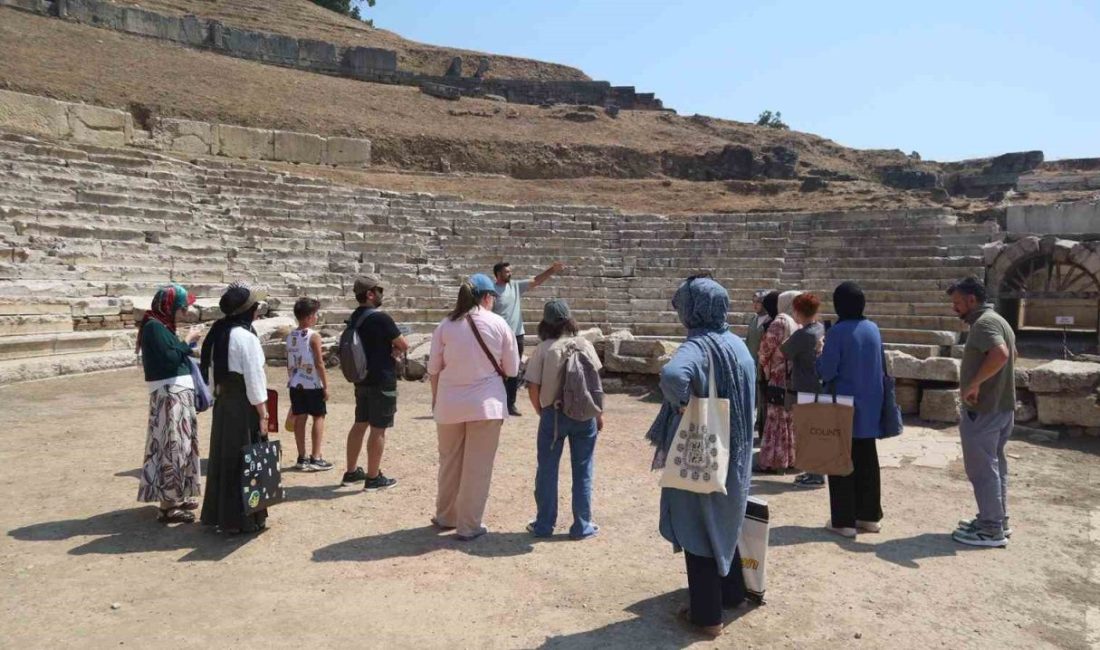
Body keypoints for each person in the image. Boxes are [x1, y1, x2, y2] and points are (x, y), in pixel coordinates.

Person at [645, 274, 755, 638]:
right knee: (726, 518)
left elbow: (673, 375)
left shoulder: (697, 346)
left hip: (702, 449)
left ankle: (707, 617)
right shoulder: (737, 344)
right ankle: (733, 593)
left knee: (697, 525)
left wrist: (681, 406)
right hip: (736, 451)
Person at [427, 274, 520, 541]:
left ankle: (446, 515)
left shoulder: (445, 326)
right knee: (477, 467)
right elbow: (512, 369)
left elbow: (434, 369)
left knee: (449, 463)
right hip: (486, 405)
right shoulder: (499, 323)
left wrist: (436, 400)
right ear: (487, 297)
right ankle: (469, 525)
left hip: (449, 404)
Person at [524, 299, 603, 540]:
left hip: (553, 414)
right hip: (585, 414)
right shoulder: (585, 345)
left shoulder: (544, 349)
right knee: (583, 469)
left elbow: (533, 387)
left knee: (547, 469)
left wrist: (541, 411)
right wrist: (599, 414)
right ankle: (582, 525)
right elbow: (595, 384)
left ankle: (544, 524)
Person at [948, 277, 1016, 548]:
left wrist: (975, 383)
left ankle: (990, 530)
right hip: (1001, 406)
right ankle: (998, 520)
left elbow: (1000, 354)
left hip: (985, 410)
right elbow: (1013, 352)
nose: (955, 308)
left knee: (982, 469)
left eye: (957, 303)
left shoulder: (985, 323)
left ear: (971, 300)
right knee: (995, 465)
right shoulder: (998, 320)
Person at [816, 282, 886, 538]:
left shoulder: (838, 332)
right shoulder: (873, 329)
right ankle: (869, 516)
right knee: (868, 460)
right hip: (870, 405)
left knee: (840, 462)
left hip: (842, 406)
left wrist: (820, 353)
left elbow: (826, 370)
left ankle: (843, 521)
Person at [199, 282, 270, 534]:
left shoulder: (217, 334)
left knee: (225, 458)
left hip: (224, 406)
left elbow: (209, 373)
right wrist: (263, 413)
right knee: (247, 460)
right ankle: (244, 518)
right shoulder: (245, 337)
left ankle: (222, 516)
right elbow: (254, 378)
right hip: (243, 407)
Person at [136, 284, 203, 523]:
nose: (185, 313)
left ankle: (178, 495)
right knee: (171, 446)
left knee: (183, 445)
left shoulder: (162, 326)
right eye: (183, 308)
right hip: (169, 395)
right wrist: (188, 341)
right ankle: (167, 505)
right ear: (170, 307)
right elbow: (170, 359)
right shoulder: (155, 327)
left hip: (176, 394)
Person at [341, 275, 409, 490]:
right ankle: (373, 477)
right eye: (379, 290)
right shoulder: (381, 318)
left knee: (360, 424)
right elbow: (403, 343)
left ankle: (351, 472)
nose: (382, 294)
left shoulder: (355, 317)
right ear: (370, 294)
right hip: (381, 379)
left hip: (361, 379)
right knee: (378, 429)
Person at [491, 260, 566, 416]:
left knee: (514, 369)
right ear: (498, 274)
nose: (510, 274)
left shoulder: (515, 286)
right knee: (496, 369)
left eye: (510, 271)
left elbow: (536, 281)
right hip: (498, 336)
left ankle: (510, 404)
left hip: (517, 335)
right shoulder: (492, 291)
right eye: (506, 272)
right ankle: (495, 401)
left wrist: (552, 269)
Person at [782, 292, 826, 488]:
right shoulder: (820, 329)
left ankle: (815, 475)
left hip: (806, 388)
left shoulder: (803, 334)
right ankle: (813, 472)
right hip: (819, 386)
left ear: (798, 312)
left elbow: (784, 350)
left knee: (808, 432)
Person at [756, 290, 801, 472]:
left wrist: (764, 365)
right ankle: (789, 458)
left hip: (777, 377)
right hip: (791, 377)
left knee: (775, 419)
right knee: (788, 420)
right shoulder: (795, 322)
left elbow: (766, 349)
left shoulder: (780, 322)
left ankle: (773, 461)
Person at [286, 297, 332, 472]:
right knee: (318, 417)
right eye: (315, 314)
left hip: (295, 383)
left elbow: (290, 362)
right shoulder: (314, 336)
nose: (316, 317)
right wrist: (326, 386)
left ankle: (302, 457)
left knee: (300, 418)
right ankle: (316, 456)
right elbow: (319, 363)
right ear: (308, 317)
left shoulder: (290, 336)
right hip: (312, 384)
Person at [745, 290, 772, 437]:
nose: (755, 305)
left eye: (759, 301)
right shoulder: (754, 320)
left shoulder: (769, 322)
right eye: (753, 301)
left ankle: (762, 424)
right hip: (751, 363)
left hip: (762, 365)